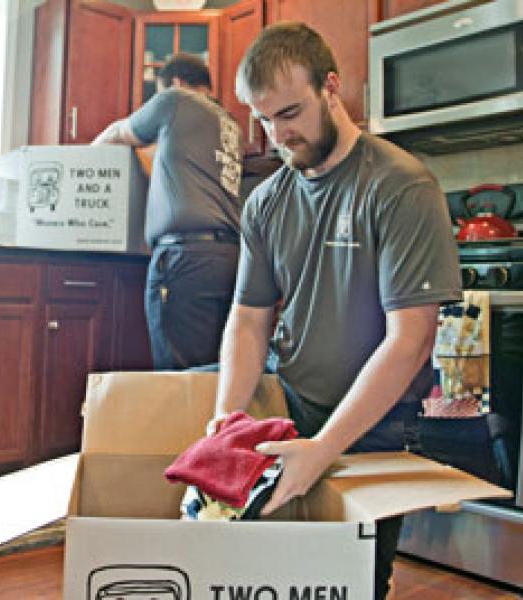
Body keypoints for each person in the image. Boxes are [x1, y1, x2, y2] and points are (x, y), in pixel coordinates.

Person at [208, 22, 462, 600]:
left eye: (291, 113)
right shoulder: (268, 200)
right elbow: (249, 319)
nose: (279, 135)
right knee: (269, 581)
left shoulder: (400, 187)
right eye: (264, 119)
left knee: (351, 587)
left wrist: (325, 450)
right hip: (293, 406)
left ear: (331, 87)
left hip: (380, 426)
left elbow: (411, 340)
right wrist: (230, 415)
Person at [92, 53, 243, 370]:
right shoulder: (230, 124)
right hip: (228, 257)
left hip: (184, 257)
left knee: (179, 378)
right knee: (213, 373)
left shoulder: (175, 101)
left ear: (174, 83)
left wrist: (82, 166)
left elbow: (116, 135)